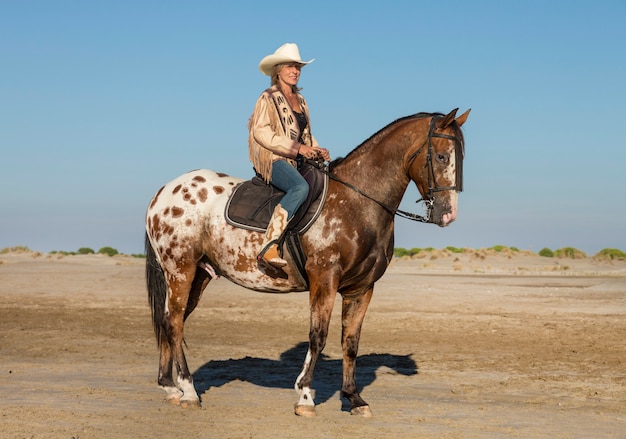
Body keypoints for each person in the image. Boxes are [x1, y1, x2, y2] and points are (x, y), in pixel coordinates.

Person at [248, 43, 331, 268]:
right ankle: (269, 245)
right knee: (300, 188)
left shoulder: (301, 101)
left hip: (296, 159)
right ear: (278, 70)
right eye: (290, 67)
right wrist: (298, 149)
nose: (295, 71)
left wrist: (316, 149)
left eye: (298, 67)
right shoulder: (268, 97)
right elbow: (260, 132)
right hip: (273, 159)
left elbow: (306, 134)